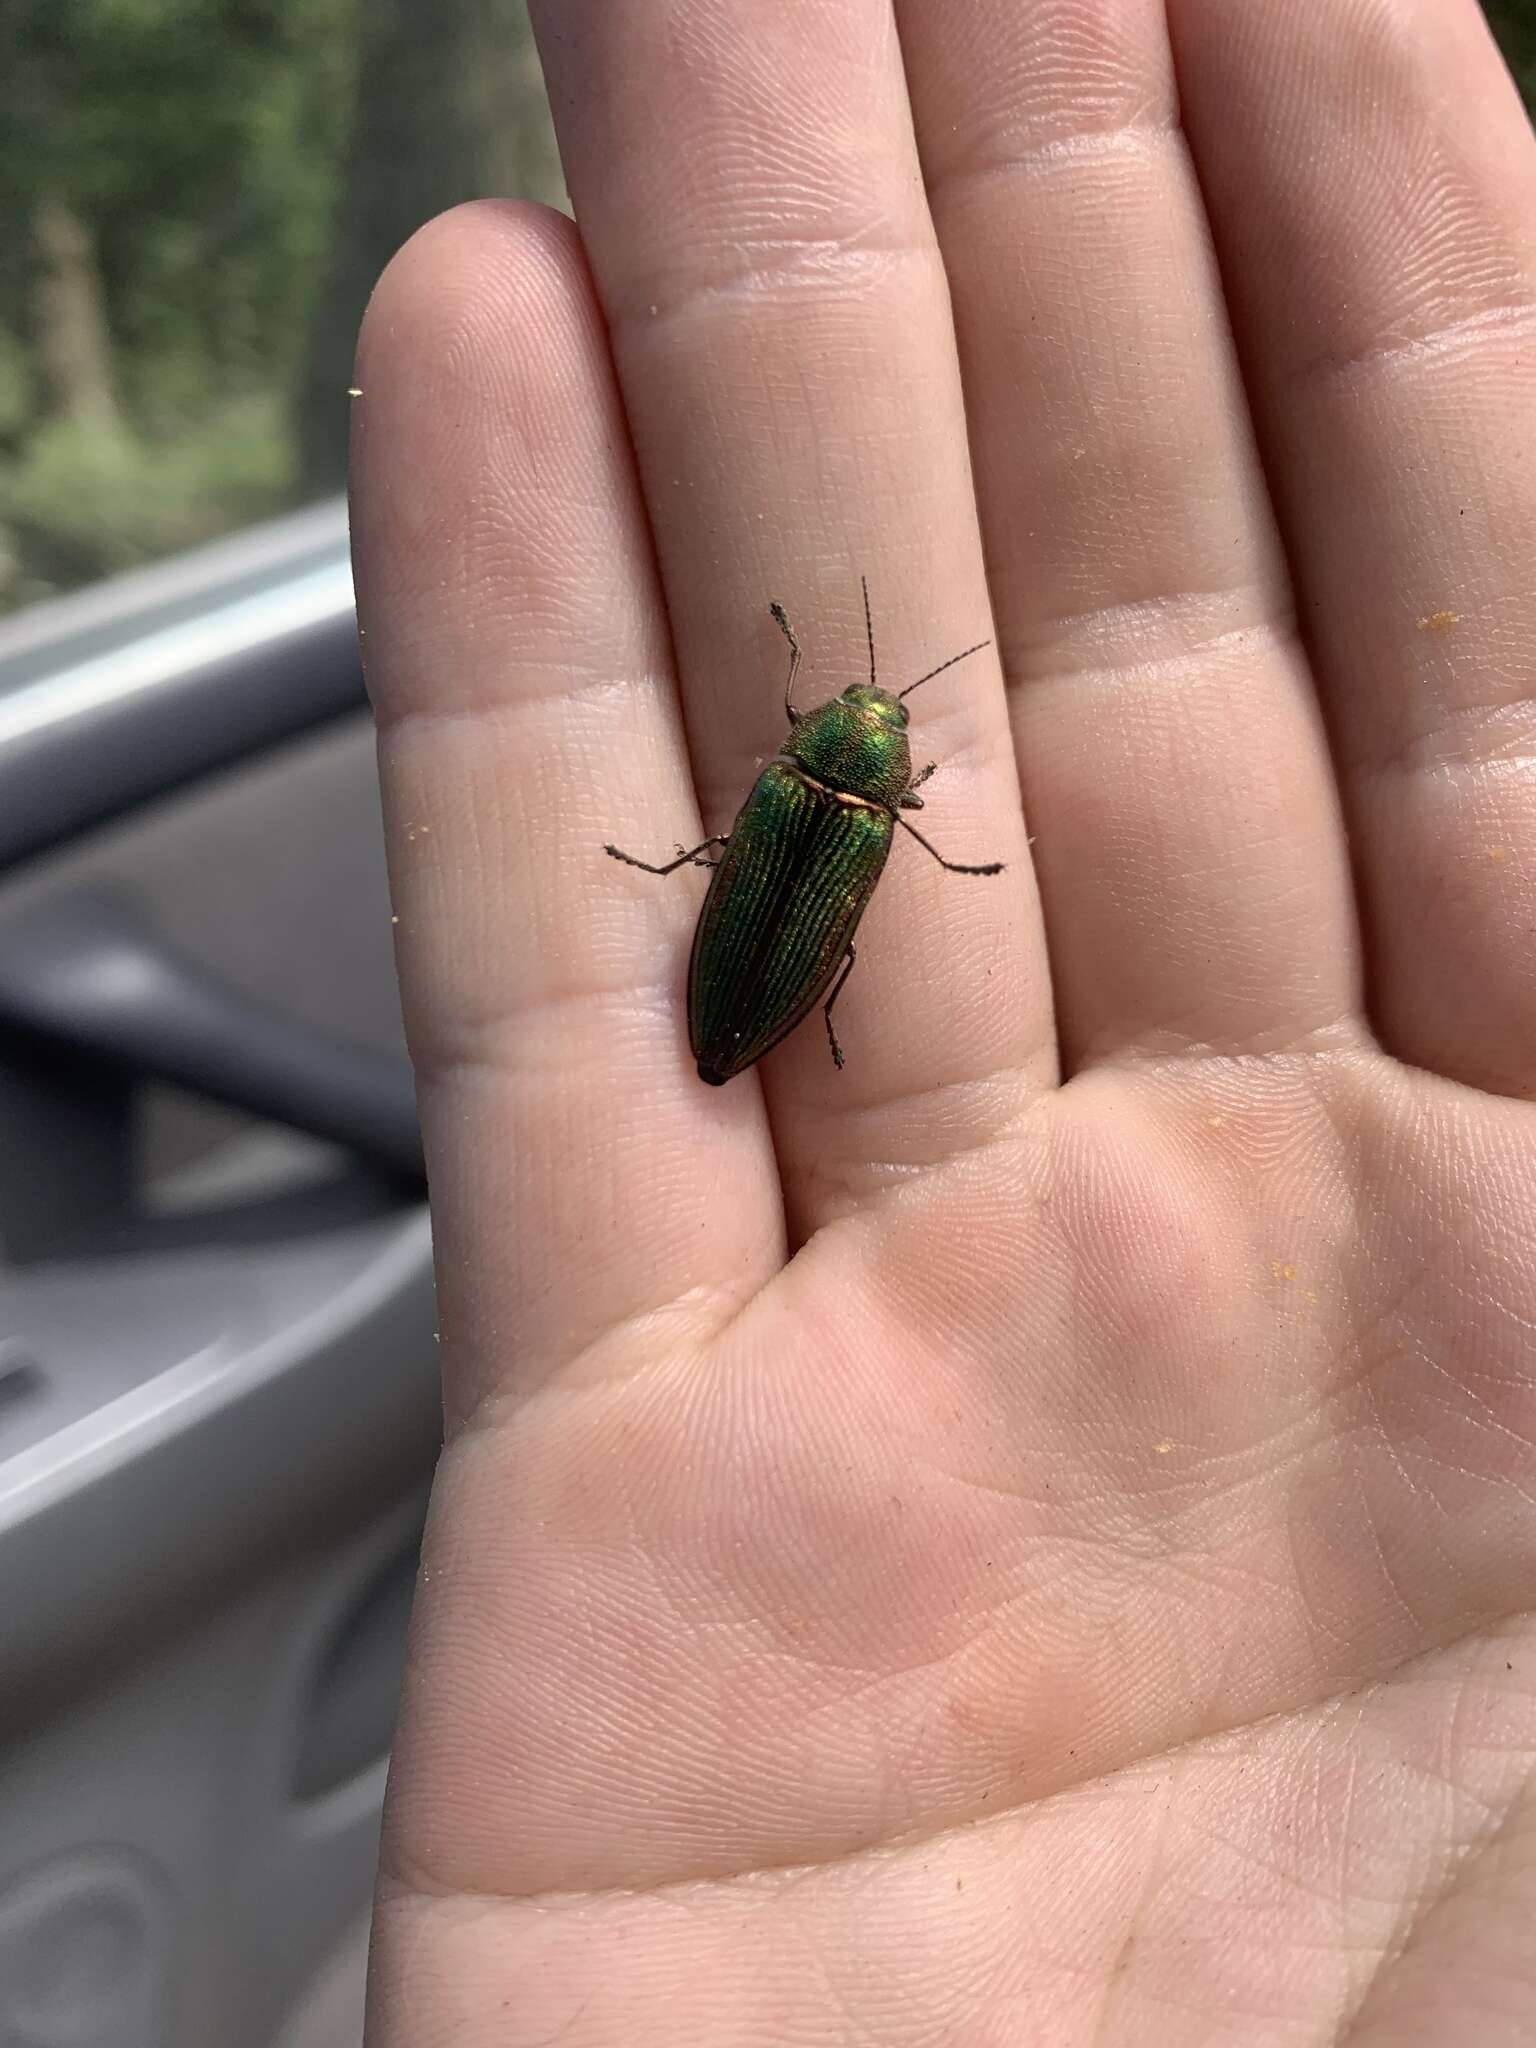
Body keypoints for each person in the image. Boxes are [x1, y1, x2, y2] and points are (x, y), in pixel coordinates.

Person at [348, 2, 1536, 2039]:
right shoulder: (859, 810)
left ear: (829, 749)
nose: (854, 725)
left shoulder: (805, 794)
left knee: (773, 939)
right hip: (763, 957)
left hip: (748, 944)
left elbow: (777, 886)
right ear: (861, 760)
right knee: (795, 950)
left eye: (855, 725)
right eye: (854, 719)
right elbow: (807, 898)